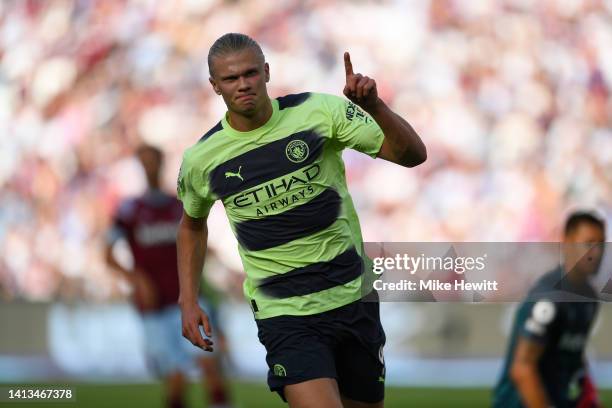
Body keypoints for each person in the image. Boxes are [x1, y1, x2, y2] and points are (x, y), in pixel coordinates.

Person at [176, 32, 426, 408]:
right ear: (215, 86)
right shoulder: (203, 159)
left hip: (353, 299)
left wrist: (376, 107)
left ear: (267, 72)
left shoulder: (319, 112)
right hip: (286, 316)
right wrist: (188, 299)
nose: (243, 84)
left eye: (250, 73)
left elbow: (412, 156)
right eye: (230, 78)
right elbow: (192, 225)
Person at [106, 144, 232, 408]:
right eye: (144, 162)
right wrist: (135, 278)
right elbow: (107, 254)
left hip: (188, 299)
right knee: (175, 375)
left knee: (209, 364)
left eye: (153, 161)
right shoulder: (129, 210)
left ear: (162, 163)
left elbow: (198, 247)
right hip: (153, 305)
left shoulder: (179, 207)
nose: (149, 167)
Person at [493, 211, 607, 408]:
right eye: (588, 243)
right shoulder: (549, 299)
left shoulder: (589, 299)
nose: (596, 253)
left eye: (601, 245)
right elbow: (522, 368)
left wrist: (585, 391)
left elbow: (571, 353)